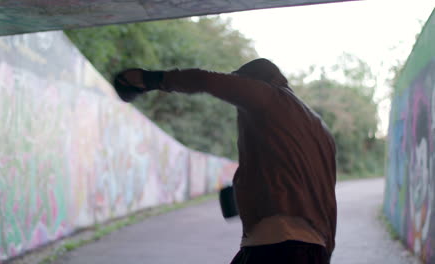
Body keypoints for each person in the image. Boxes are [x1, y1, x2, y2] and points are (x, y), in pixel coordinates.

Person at [113, 58, 337, 264]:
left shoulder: (268, 97)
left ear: (251, 83)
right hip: (312, 247)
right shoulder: (321, 131)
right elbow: (325, 196)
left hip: (278, 244)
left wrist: (149, 79)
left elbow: (205, 80)